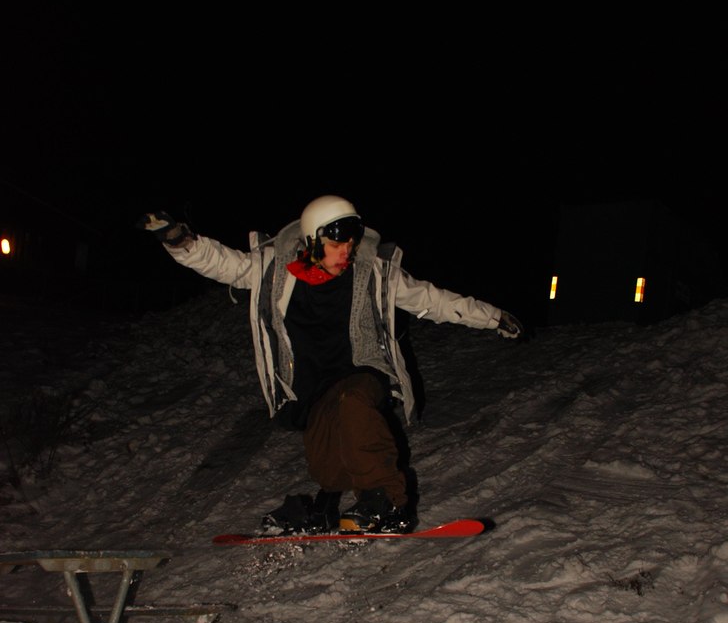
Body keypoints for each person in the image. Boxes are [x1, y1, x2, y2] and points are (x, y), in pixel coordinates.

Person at [137, 195, 523, 534]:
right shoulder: (275, 269)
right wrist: (180, 242)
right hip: (312, 389)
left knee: (353, 403)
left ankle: (388, 500)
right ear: (311, 241)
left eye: (351, 242)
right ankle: (323, 506)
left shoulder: (372, 273)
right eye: (337, 241)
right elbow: (224, 264)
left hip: (361, 373)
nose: (347, 251)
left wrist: (491, 317)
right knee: (329, 470)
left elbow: (431, 299)